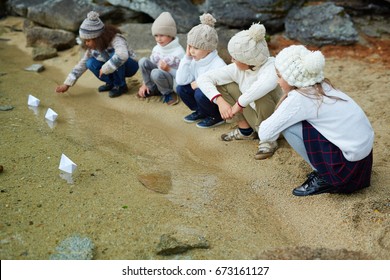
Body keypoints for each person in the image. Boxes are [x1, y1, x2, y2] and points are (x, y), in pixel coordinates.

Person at [259, 45, 374, 196]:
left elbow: (265, 133)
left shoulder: (300, 97)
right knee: (308, 123)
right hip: (362, 166)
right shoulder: (324, 86)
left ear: (292, 78)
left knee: (290, 127)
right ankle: (326, 170)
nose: (277, 81)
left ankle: (324, 176)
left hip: (344, 173)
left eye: (279, 76)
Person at [197, 23, 282, 159]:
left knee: (260, 94)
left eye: (235, 58)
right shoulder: (237, 69)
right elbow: (203, 78)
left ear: (248, 59)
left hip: (277, 123)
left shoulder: (271, 65)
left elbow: (266, 84)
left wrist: (239, 104)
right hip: (255, 118)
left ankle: (269, 140)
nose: (231, 60)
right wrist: (219, 101)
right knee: (222, 85)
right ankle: (246, 131)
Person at [55, 11, 139, 98]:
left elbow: (122, 55)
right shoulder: (93, 48)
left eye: (88, 40)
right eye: (85, 41)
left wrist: (105, 68)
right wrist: (67, 84)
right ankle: (111, 83)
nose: (86, 43)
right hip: (111, 67)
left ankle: (120, 85)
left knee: (114, 54)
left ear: (97, 38)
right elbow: (81, 65)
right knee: (89, 63)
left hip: (130, 66)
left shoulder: (116, 38)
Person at [176, 13, 227, 128]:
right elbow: (181, 80)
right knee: (180, 88)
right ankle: (201, 111)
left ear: (208, 49)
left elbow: (222, 85)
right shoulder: (194, 59)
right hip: (204, 97)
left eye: (196, 48)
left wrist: (199, 83)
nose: (192, 51)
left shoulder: (218, 63)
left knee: (200, 92)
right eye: (190, 47)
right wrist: (187, 58)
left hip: (216, 98)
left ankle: (216, 116)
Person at [137, 12, 185, 105]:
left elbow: (183, 75)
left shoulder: (179, 52)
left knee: (156, 73)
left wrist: (168, 69)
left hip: (171, 80)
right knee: (143, 61)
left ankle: (168, 93)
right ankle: (151, 88)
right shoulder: (157, 48)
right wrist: (144, 84)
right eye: (156, 35)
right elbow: (148, 69)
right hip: (157, 77)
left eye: (162, 35)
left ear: (170, 35)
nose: (158, 39)